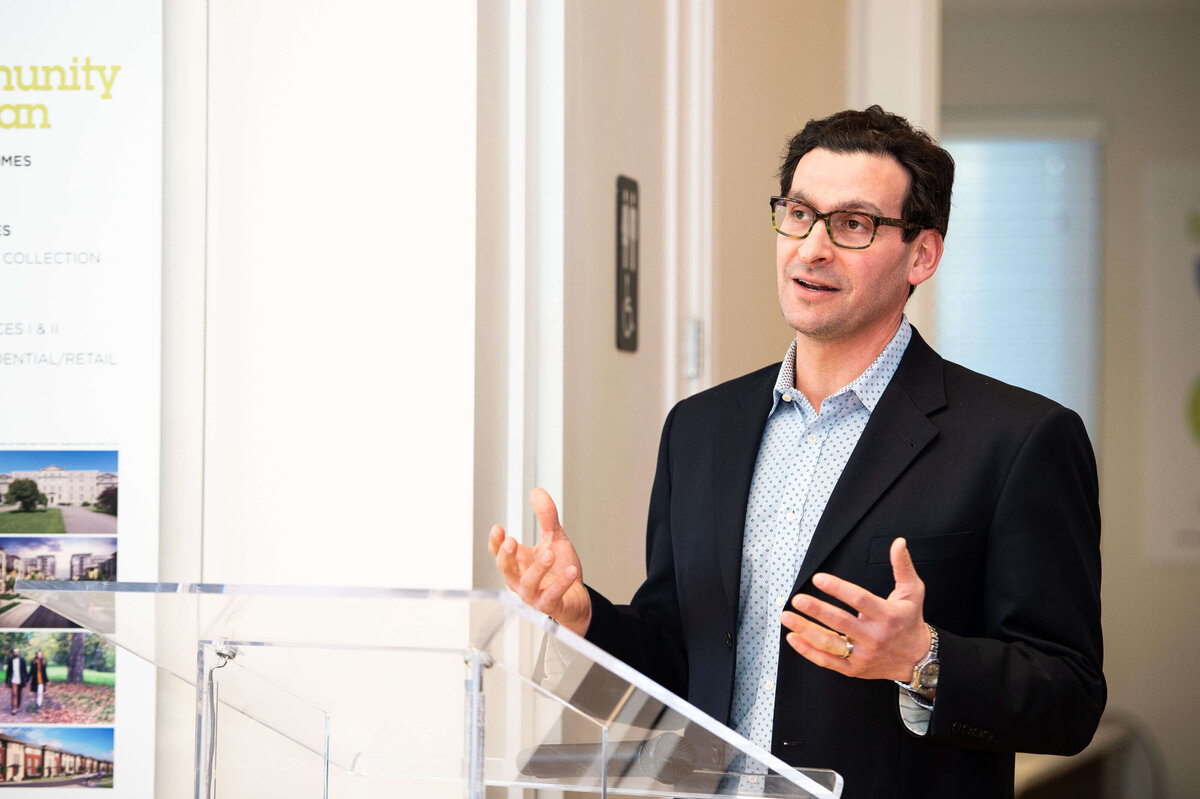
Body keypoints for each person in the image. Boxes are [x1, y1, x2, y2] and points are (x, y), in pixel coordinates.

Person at [489, 106, 1104, 799]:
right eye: (800, 213)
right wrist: (583, 618)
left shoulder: (1020, 439)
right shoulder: (699, 429)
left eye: (854, 224)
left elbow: (1071, 697)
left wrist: (922, 660)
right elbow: (682, 657)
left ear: (922, 255)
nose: (812, 248)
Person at [5, 648, 27, 715]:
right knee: (14, 694)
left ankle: (17, 706)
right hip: (13, 680)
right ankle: (13, 709)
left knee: (19, 694)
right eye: (15, 652)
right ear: (13, 653)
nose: (16, 653)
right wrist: (7, 680)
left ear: (18, 653)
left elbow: (25, 670)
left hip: (20, 680)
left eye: (17, 652)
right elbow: (8, 671)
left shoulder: (22, 660)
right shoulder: (10, 661)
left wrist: (26, 679)